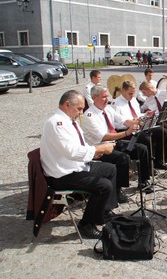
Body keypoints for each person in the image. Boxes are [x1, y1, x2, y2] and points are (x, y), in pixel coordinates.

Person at [40, 90, 118, 239]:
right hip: (62, 174)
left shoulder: (68, 120)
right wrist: (98, 149)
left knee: (111, 169)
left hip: (75, 166)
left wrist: (94, 153)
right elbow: (71, 152)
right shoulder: (57, 123)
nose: (81, 113)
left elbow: (78, 147)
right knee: (103, 186)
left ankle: (103, 212)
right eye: (79, 109)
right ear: (67, 104)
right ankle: (87, 224)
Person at [82, 85, 152, 195]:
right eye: (104, 97)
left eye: (107, 96)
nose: (107, 100)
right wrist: (126, 133)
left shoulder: (108, 109)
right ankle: (118, 190)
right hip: (100, 148)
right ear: (94, 98)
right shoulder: (89, 115)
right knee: (123, 158)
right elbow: (104, 136)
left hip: (113, 143)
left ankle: (143, 181)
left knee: (141, 149)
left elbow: (123, 121)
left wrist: (140, 122)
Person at [113, 80, 167, 170]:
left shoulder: (133, 100)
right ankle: (148, 167)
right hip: (126, 130)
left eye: (133, 94)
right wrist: (137, 122)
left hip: (139, 126)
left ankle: (158, 161)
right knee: (146, 138)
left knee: (163, 132)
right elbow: (121, 122)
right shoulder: (116, 103)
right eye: (130, 93)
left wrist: (146, 115)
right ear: (123, 91)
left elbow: (137, 114)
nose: (132, 96)